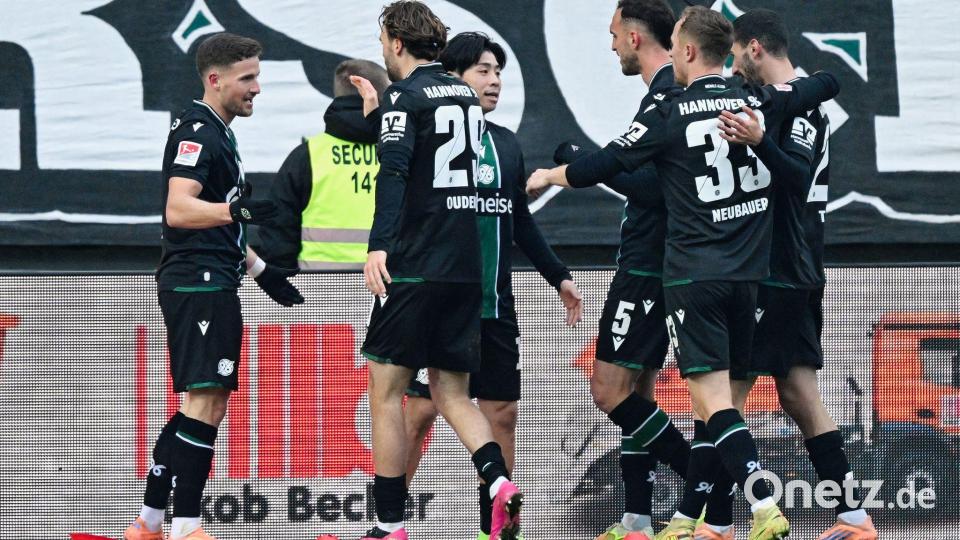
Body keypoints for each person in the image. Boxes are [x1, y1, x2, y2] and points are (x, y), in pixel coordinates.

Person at [526, 6, 840, 540]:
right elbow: (821, 85)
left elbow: (611, 168)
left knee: (709, 403)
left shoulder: (669, 109)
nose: (670, 53)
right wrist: (771, 127)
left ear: (688, 51)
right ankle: (673, 520)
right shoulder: (754, 99)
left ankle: (755, 497)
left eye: (675, 44)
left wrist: (554, 171)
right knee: (713, 401)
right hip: (749, 280)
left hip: (689, 275)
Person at [385, 31, 582, 540]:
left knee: (502, 413)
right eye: (483, 70)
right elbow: (388, 154)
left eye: (499, 72)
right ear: (454, 75)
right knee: (421, 411)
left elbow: (518, 218)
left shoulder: (506, 143)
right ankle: (388, 520)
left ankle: (495, 529)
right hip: (443, 293)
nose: (494, 81)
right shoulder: (423, 124)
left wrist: (558, 275)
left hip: (493, 301)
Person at [124, 33, 304, 540]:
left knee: (199, 403)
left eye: (257, 76)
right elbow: (179, 210)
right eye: (248, 78)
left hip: (211, 277)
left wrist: (261, 270)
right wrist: (238, 210)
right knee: (206, 399)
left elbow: (218, 221)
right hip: (198, 282)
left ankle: (149, 523)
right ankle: (185, 525)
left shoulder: (217, 130)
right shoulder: (201, 131)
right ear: (215, 79)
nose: (257, 88)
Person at [710, 9, 877, 540]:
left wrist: (759, 142)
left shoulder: (803, 101)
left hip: (782, 266)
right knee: (798, 389)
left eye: (737, 54)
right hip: (788, 264)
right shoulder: (785, 98)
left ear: (755, 47)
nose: (735, 66)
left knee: (724, 392)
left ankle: (715, 524)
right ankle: (853, 515)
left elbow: (798, 178)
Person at [359, 3, 522, 539]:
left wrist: (380, 245)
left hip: (415, 266)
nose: (383, 49)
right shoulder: (464, 98)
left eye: (384, 39)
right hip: (464, 270)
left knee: (387, 393)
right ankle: (498, 481)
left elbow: (396, 169)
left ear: (397, 43)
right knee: (453, 394)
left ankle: (389, 525)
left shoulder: (404, 96)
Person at [551, 2, 692, 539]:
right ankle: (637, 520)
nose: (611, 46)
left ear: (635, 37)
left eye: (613, 35)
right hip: (657, 262)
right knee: (641, 393)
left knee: (608, 390)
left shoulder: (666, 97)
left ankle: (710, 483)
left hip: (648, 267)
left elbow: (656, 192)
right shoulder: (667, 95)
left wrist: (577, 164)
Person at [256, 60, 390, 270]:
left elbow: (277, 236)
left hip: (320, 291)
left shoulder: (308, 156)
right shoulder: (402, 153)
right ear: (380, 95)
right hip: (391, 289)